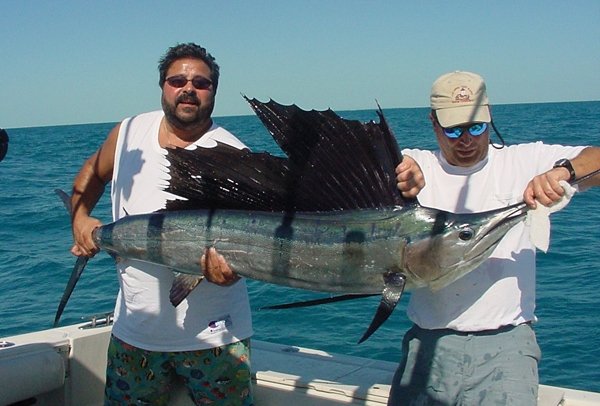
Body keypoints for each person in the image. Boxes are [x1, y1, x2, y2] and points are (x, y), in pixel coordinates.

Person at [390, 70, 600, 405]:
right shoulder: (420, 165)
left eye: (476, 127)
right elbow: (397, 167)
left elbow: (597, 158)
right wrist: (395, 178)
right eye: (454, 129)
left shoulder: (525, 161)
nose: (466, 139)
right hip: (427, 342)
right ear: (433, 123)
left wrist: (565, 171)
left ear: (490, 118)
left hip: (509, 348)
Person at [69, 43, 254, 405]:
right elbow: (93, 171)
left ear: (214, 91)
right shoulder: (129, 133)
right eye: (177, 80)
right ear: (163, 87)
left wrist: (233, 270)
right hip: (134, 335)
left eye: (201, 83)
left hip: (217, 341)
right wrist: (79, 217)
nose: (188, 88)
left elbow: (250, 248)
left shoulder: (237, 158)